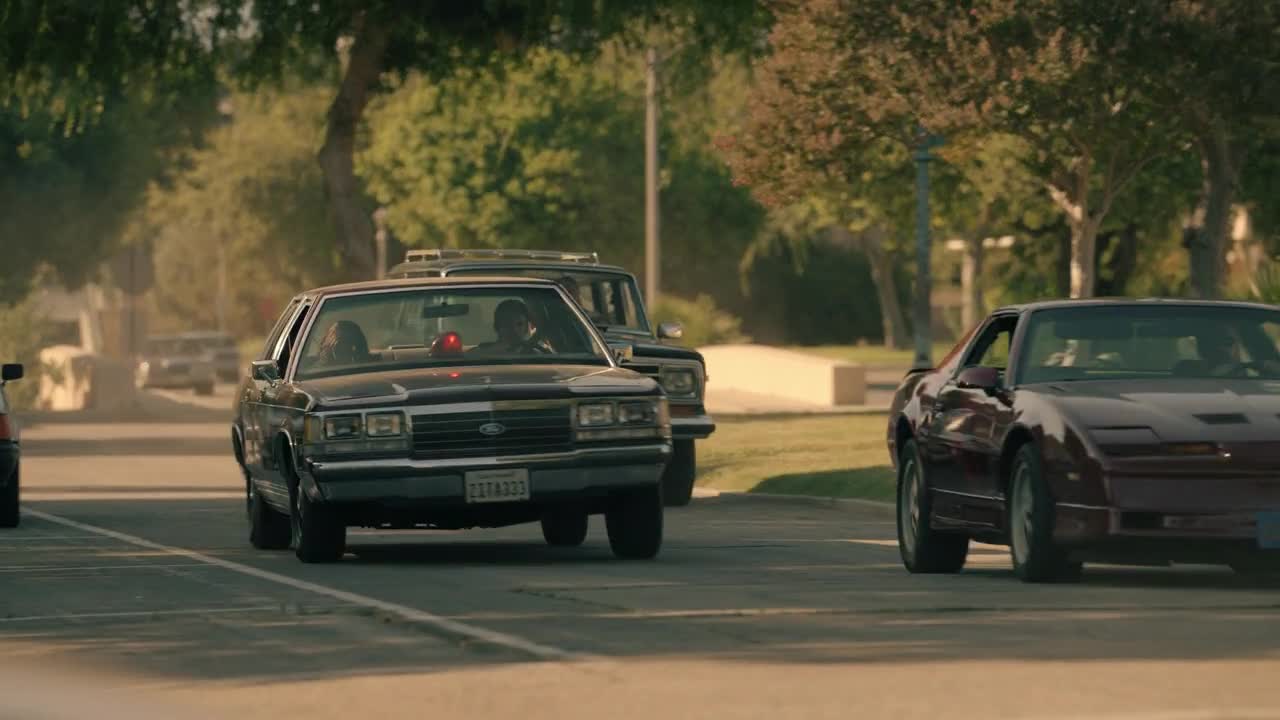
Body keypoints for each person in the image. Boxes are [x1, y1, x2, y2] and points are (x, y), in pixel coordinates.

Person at [472, 299, 554, 356]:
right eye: (507, 324)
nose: (514, 330)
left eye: (519, 324)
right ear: (497, 327)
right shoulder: (478, 355)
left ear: (527, 327)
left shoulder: (539, 354)